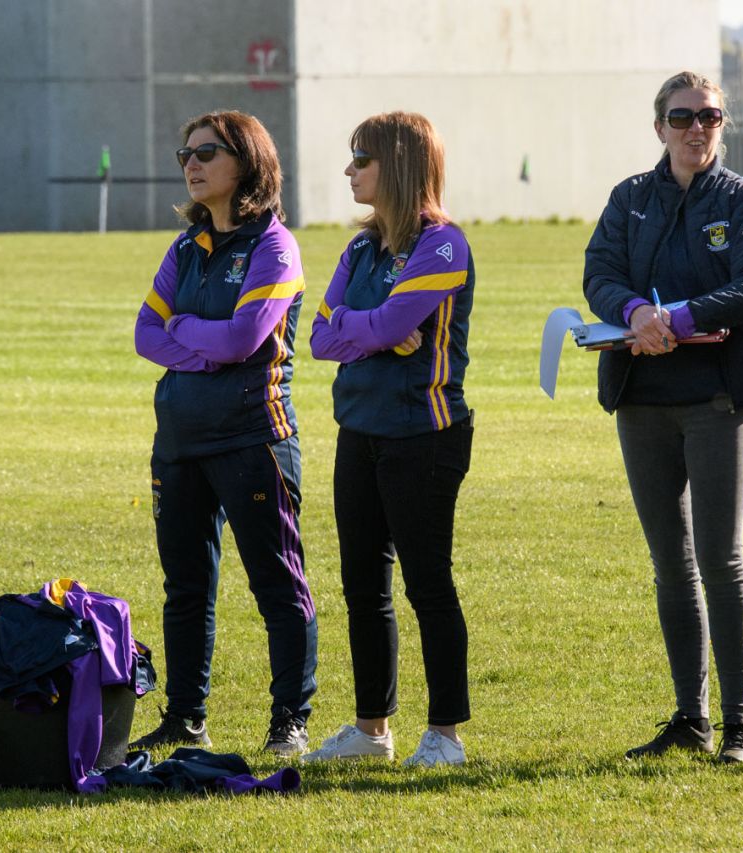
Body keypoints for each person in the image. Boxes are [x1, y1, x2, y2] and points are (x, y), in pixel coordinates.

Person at [584, 71, 743, 764]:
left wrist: (684, 315)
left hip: (717, 398)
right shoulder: (629, 198)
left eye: (710, 116)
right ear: (659, 126)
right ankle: (690, 718)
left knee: (721, 559)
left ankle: (740, 725)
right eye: (682, 117)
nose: (697, 128)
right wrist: (635, 313)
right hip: (643, 398)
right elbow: (599, 273)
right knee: (671, 563)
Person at [131, 110, 317, 756]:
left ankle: (290, 720)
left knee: (277, 582)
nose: (192, 161)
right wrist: (202, 344)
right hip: (179, 441)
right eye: (186, 151)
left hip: (251, 437)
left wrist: (186, 334)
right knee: (185, 588)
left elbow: (246, 338)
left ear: (248, 161)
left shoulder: (275, 246)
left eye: (208, 151)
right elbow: (144, 335)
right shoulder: (185, 248)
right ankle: (186, 717)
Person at [307, 112, 475, 768]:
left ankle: (446, 735)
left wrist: (370, 327)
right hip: (361, 430)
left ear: (399, 166)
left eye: (361, 158)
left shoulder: (443, 245)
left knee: (428, 583)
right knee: (361, 583)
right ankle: (372, 729)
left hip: (423, 435)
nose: (349, 170)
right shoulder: (359, 250)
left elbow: (390, 324)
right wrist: (371, 327)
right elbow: (321, 337)